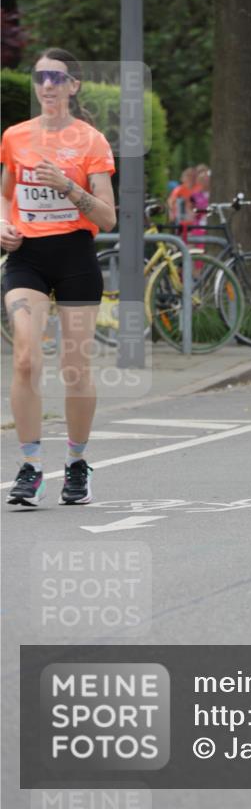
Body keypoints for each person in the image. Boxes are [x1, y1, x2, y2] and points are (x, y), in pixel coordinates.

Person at [1, 48, 116, 506]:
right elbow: (6, 194)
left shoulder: (91, 141)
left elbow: (107, 217)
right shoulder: (14, 136)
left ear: (73, 86)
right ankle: (30, 466)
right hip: (27, 257)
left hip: (75, 257)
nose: (47, 84)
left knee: (74, 367)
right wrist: (3, 225)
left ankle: (76, 462)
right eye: (40, 77)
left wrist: (67, 186)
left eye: (57, 77)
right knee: (26, 357)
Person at [167, 167, 196, 233]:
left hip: (194, 221)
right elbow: (170, 201)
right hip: (180, 220)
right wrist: (171, 213)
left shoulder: (197, 189)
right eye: (188, 176)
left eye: (192, 177)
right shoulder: (179, 189)